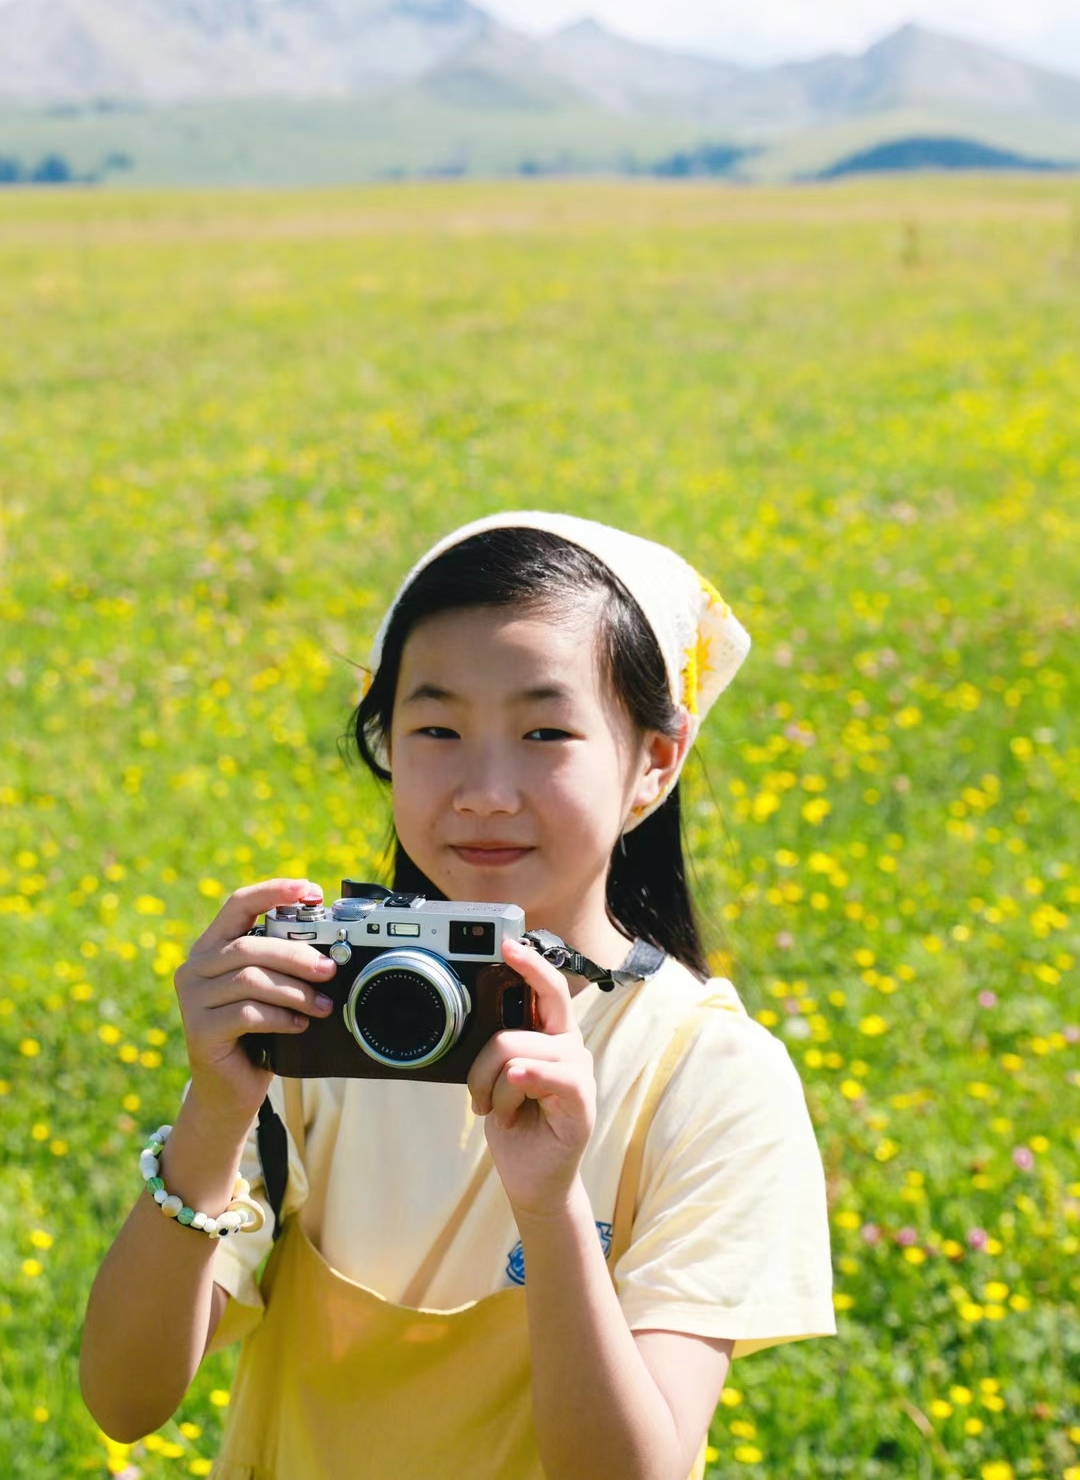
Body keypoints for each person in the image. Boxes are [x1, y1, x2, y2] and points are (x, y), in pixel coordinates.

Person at [81, 511, 837, 1480]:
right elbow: (125, 1397)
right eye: (436, 728)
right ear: (386, 741)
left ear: (657, 760)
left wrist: (552, 1208)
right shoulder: (317, 1021)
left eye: (544, 731)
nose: (485, 789)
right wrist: (216, 1111)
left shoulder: (711, 1079)